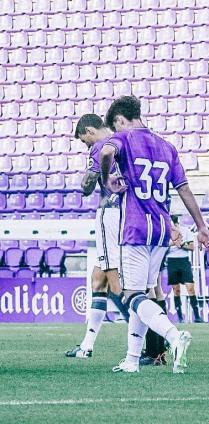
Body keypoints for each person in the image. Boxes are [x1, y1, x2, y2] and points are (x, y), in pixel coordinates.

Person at [99, 95, 209, 374]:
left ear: (120, 121)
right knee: (142, 294)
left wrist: (106, 179)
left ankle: (174, 337)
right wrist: (200, 226)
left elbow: (105, 153)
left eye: (116, 127)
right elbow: (184, 188)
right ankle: (132, 359)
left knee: (130, 295)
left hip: (135, 228)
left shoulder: (123, 139)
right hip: (161, 231)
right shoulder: (166, 146)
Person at [65, 114, 128, 358]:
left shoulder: (102, 147)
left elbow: (89, 181)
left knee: (115, 282)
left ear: (90, 130)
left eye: (86, 142)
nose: (88, 146)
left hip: (109, 212)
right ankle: (87, 346)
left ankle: (157, 336)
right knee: (98, 279)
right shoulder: (123, 141)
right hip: (126, 213)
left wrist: (86, 184)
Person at [168, 215, 202, 323]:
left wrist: (181, 244)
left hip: (184, 261)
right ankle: (180, 317)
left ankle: (197, 316)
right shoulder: (166, 233)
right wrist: (174, 242)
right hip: (171, 261)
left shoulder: (186, 231)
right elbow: (163, 247)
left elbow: (192, 247)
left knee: (190, 288)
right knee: (176, 290)